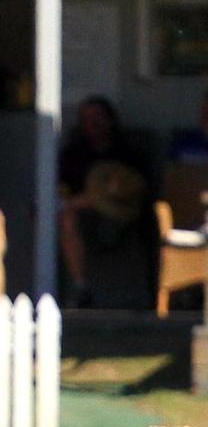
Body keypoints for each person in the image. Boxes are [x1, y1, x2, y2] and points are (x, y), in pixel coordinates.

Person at [57, 95, 156, 308]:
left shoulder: (128, 151)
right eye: (86, 118)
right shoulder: (73, 154)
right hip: (82, 214)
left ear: (110, 120)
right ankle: (81, 287)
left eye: (97, 117)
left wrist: (103, 197)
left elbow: (138, 188)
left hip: (123, 214)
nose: (92, 124)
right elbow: (62, 188)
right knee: (67, 218)